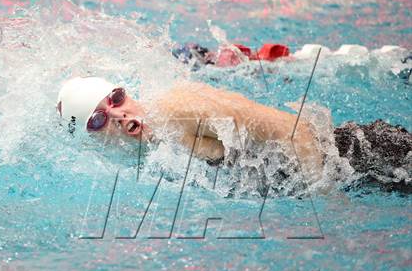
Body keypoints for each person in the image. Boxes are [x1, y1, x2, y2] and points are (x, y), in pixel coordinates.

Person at [57, 77, 411, 193]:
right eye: (98, 120)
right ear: (93, 137)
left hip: (364, 156)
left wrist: (330, 200)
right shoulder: (151, 151)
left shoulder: (177, 109)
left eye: (116, 98)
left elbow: (295, 130)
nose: (119, 114)